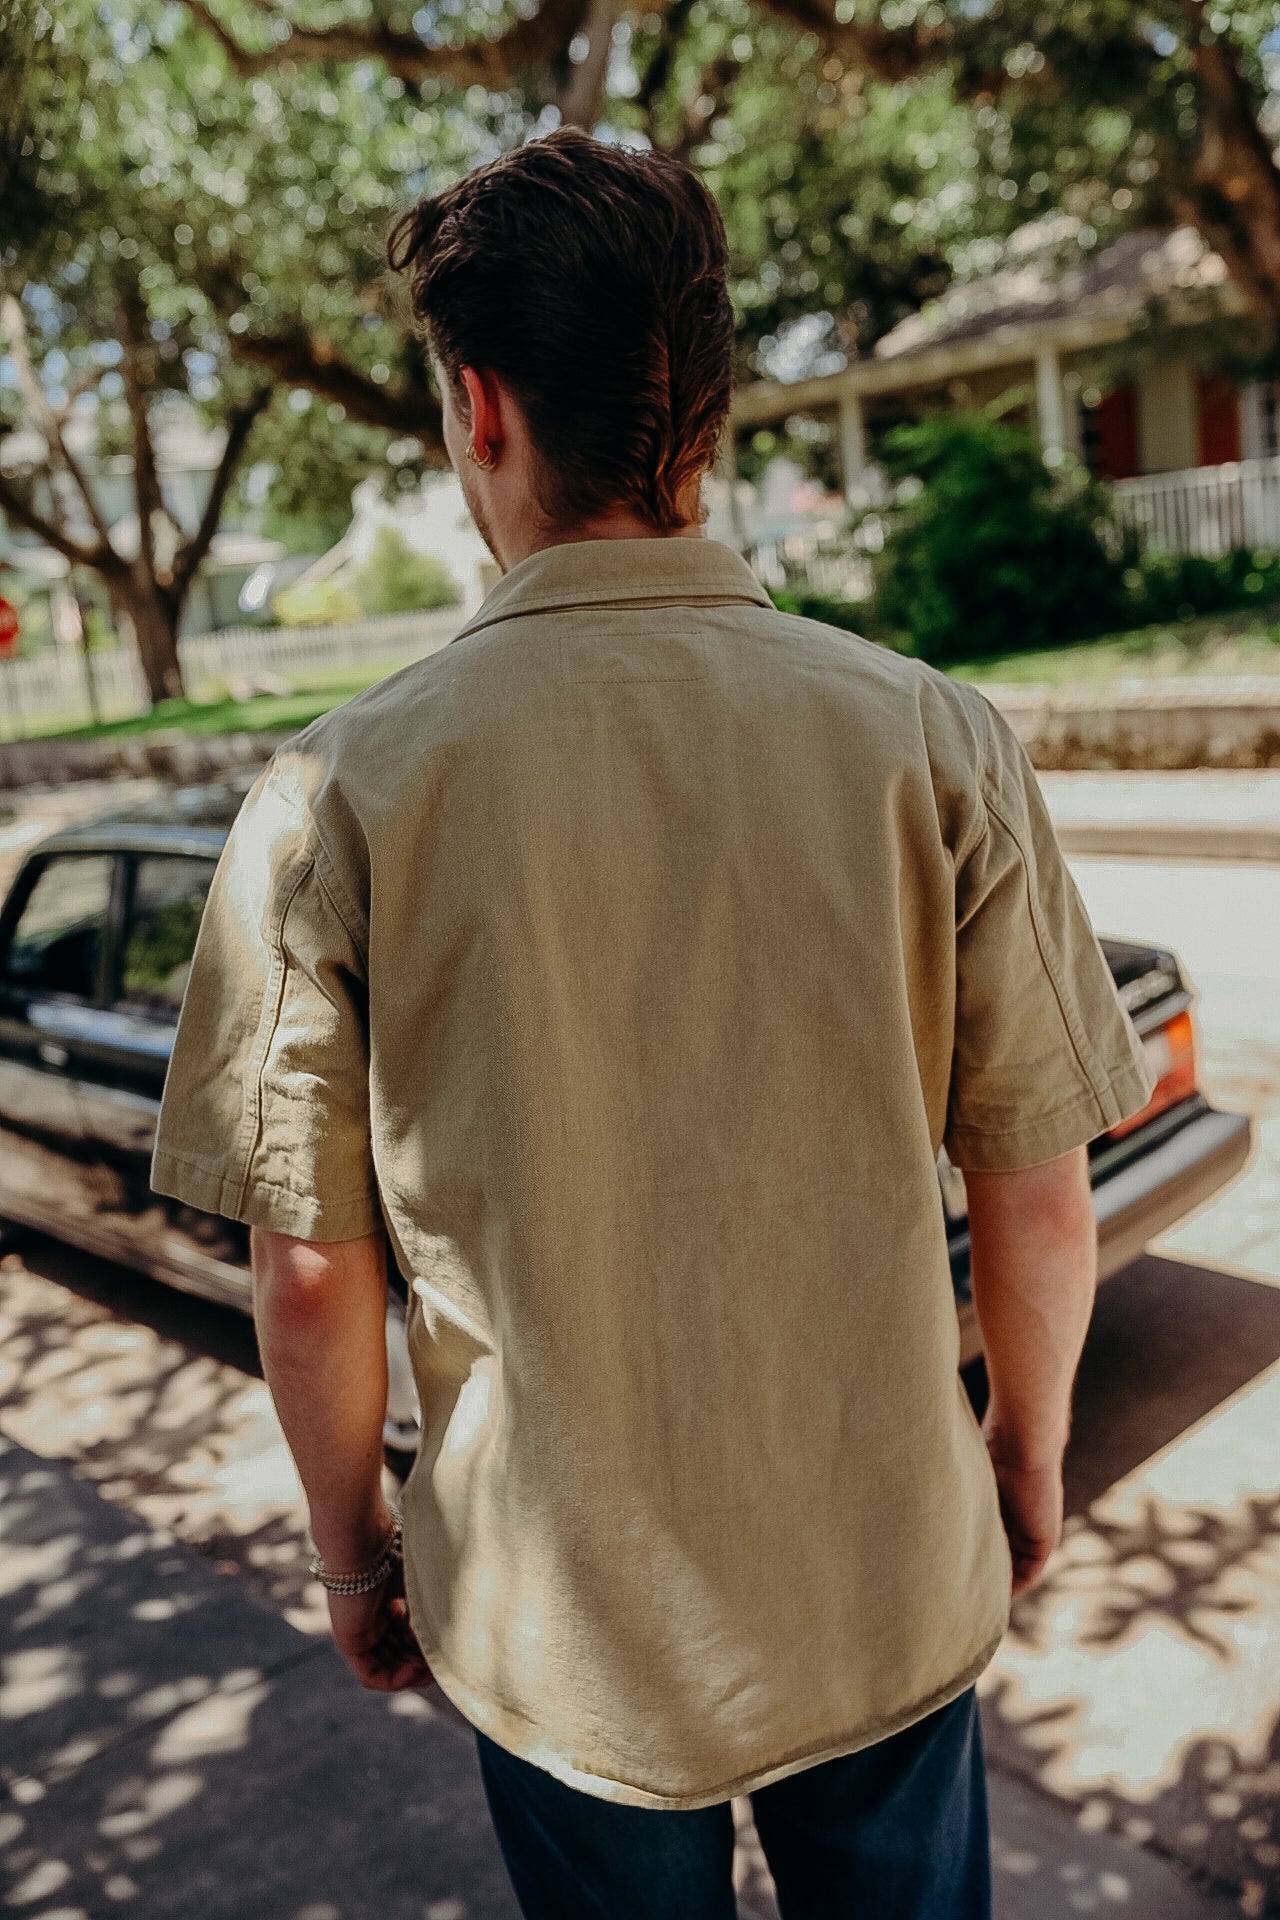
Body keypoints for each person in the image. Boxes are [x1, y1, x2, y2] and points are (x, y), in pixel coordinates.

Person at [150, 126, 1157, 1920]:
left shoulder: (335, 797)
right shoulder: (932, 739)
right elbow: (1041, 1188)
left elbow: (309, 1276)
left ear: (479, 410)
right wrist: (1021, 1454)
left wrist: (358, 1562)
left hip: (562, 1649)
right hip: (884, 1579)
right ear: (705, 412)